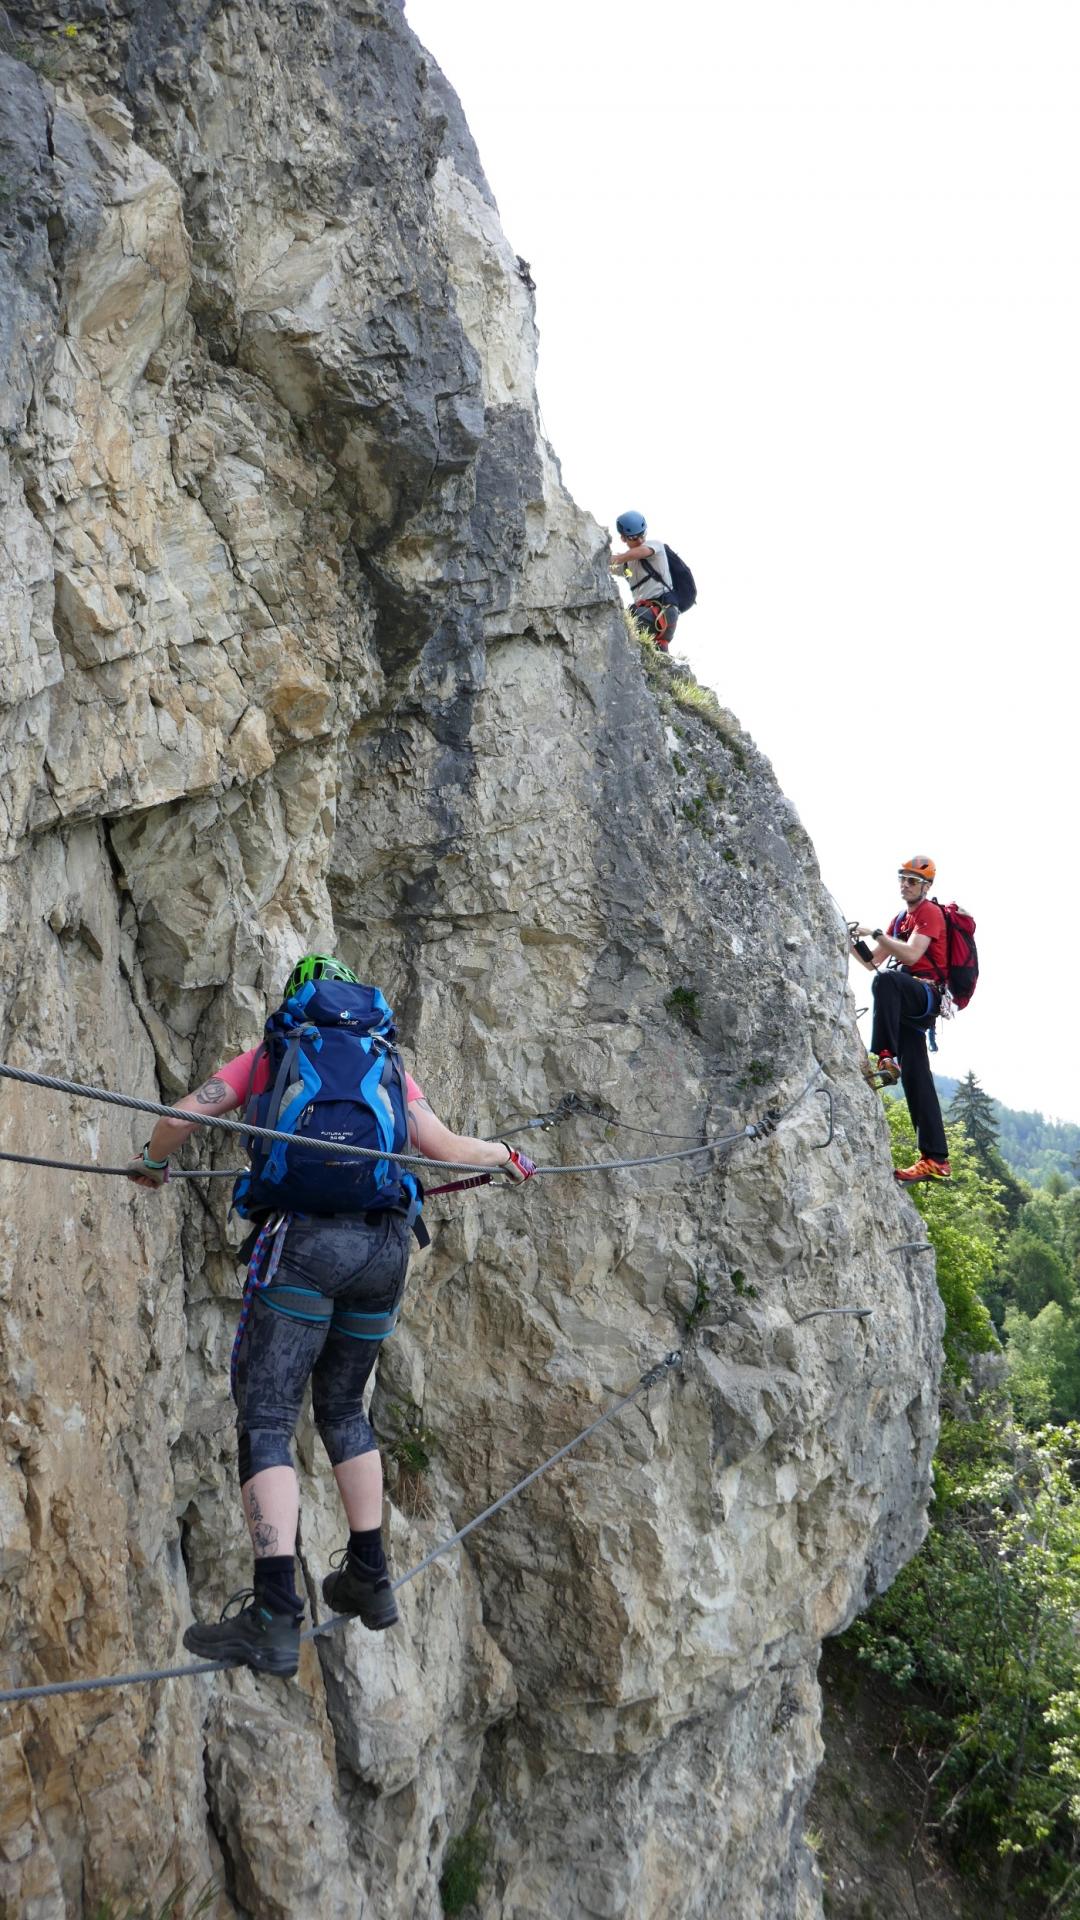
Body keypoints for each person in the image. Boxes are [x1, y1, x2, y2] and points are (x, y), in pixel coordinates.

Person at [126, 953, 536, 1676]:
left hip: (307, 1245)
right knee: (345, 1408)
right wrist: (505, 1154)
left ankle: (275, 1610)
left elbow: (188, 1112)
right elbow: (441, 1148)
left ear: (295, 1004)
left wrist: (153, 1164)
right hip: (384, 1251)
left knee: (268, 1418)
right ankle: (369, 1576)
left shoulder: (277, 1049)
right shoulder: (383, 1059)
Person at [850, 856, 950, 1184]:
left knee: (886, 982)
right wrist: (851, 942)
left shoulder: (929, 914)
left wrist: (877, 932)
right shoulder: (899, 919)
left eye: (911, 881)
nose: (905, 885)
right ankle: (935, 1157)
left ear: (926, 886)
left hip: (925, 995)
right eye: (902, 879)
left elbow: (910, 955)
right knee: (917, 1077)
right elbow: (872, 962)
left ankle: (885, 1055)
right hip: (907, 1005)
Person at [610, 509, 680, 651]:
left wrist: (617, 558)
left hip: (663, 612)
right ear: (623, 538)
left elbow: (641, 551)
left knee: (623, 618)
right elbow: (607, 567)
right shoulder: (627, 565)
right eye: (634, 538)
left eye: (642, 535)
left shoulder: (655, 547)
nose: (640, 540)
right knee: (652, 655)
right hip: (650, 615)